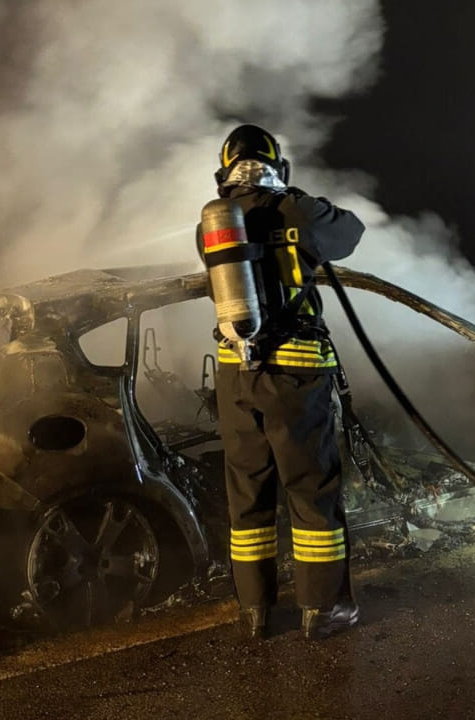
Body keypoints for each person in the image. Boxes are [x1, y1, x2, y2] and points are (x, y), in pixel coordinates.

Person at [196, 124, 365, 640]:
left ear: (224, 173)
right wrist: (299, 200)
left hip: (235, 373)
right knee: (310, 489)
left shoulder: (213, 223)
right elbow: (352, 230)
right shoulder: (298, 212)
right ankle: (322, 609)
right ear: (279, 167)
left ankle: (255, 611)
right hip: (294, 373)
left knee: (248, 494)